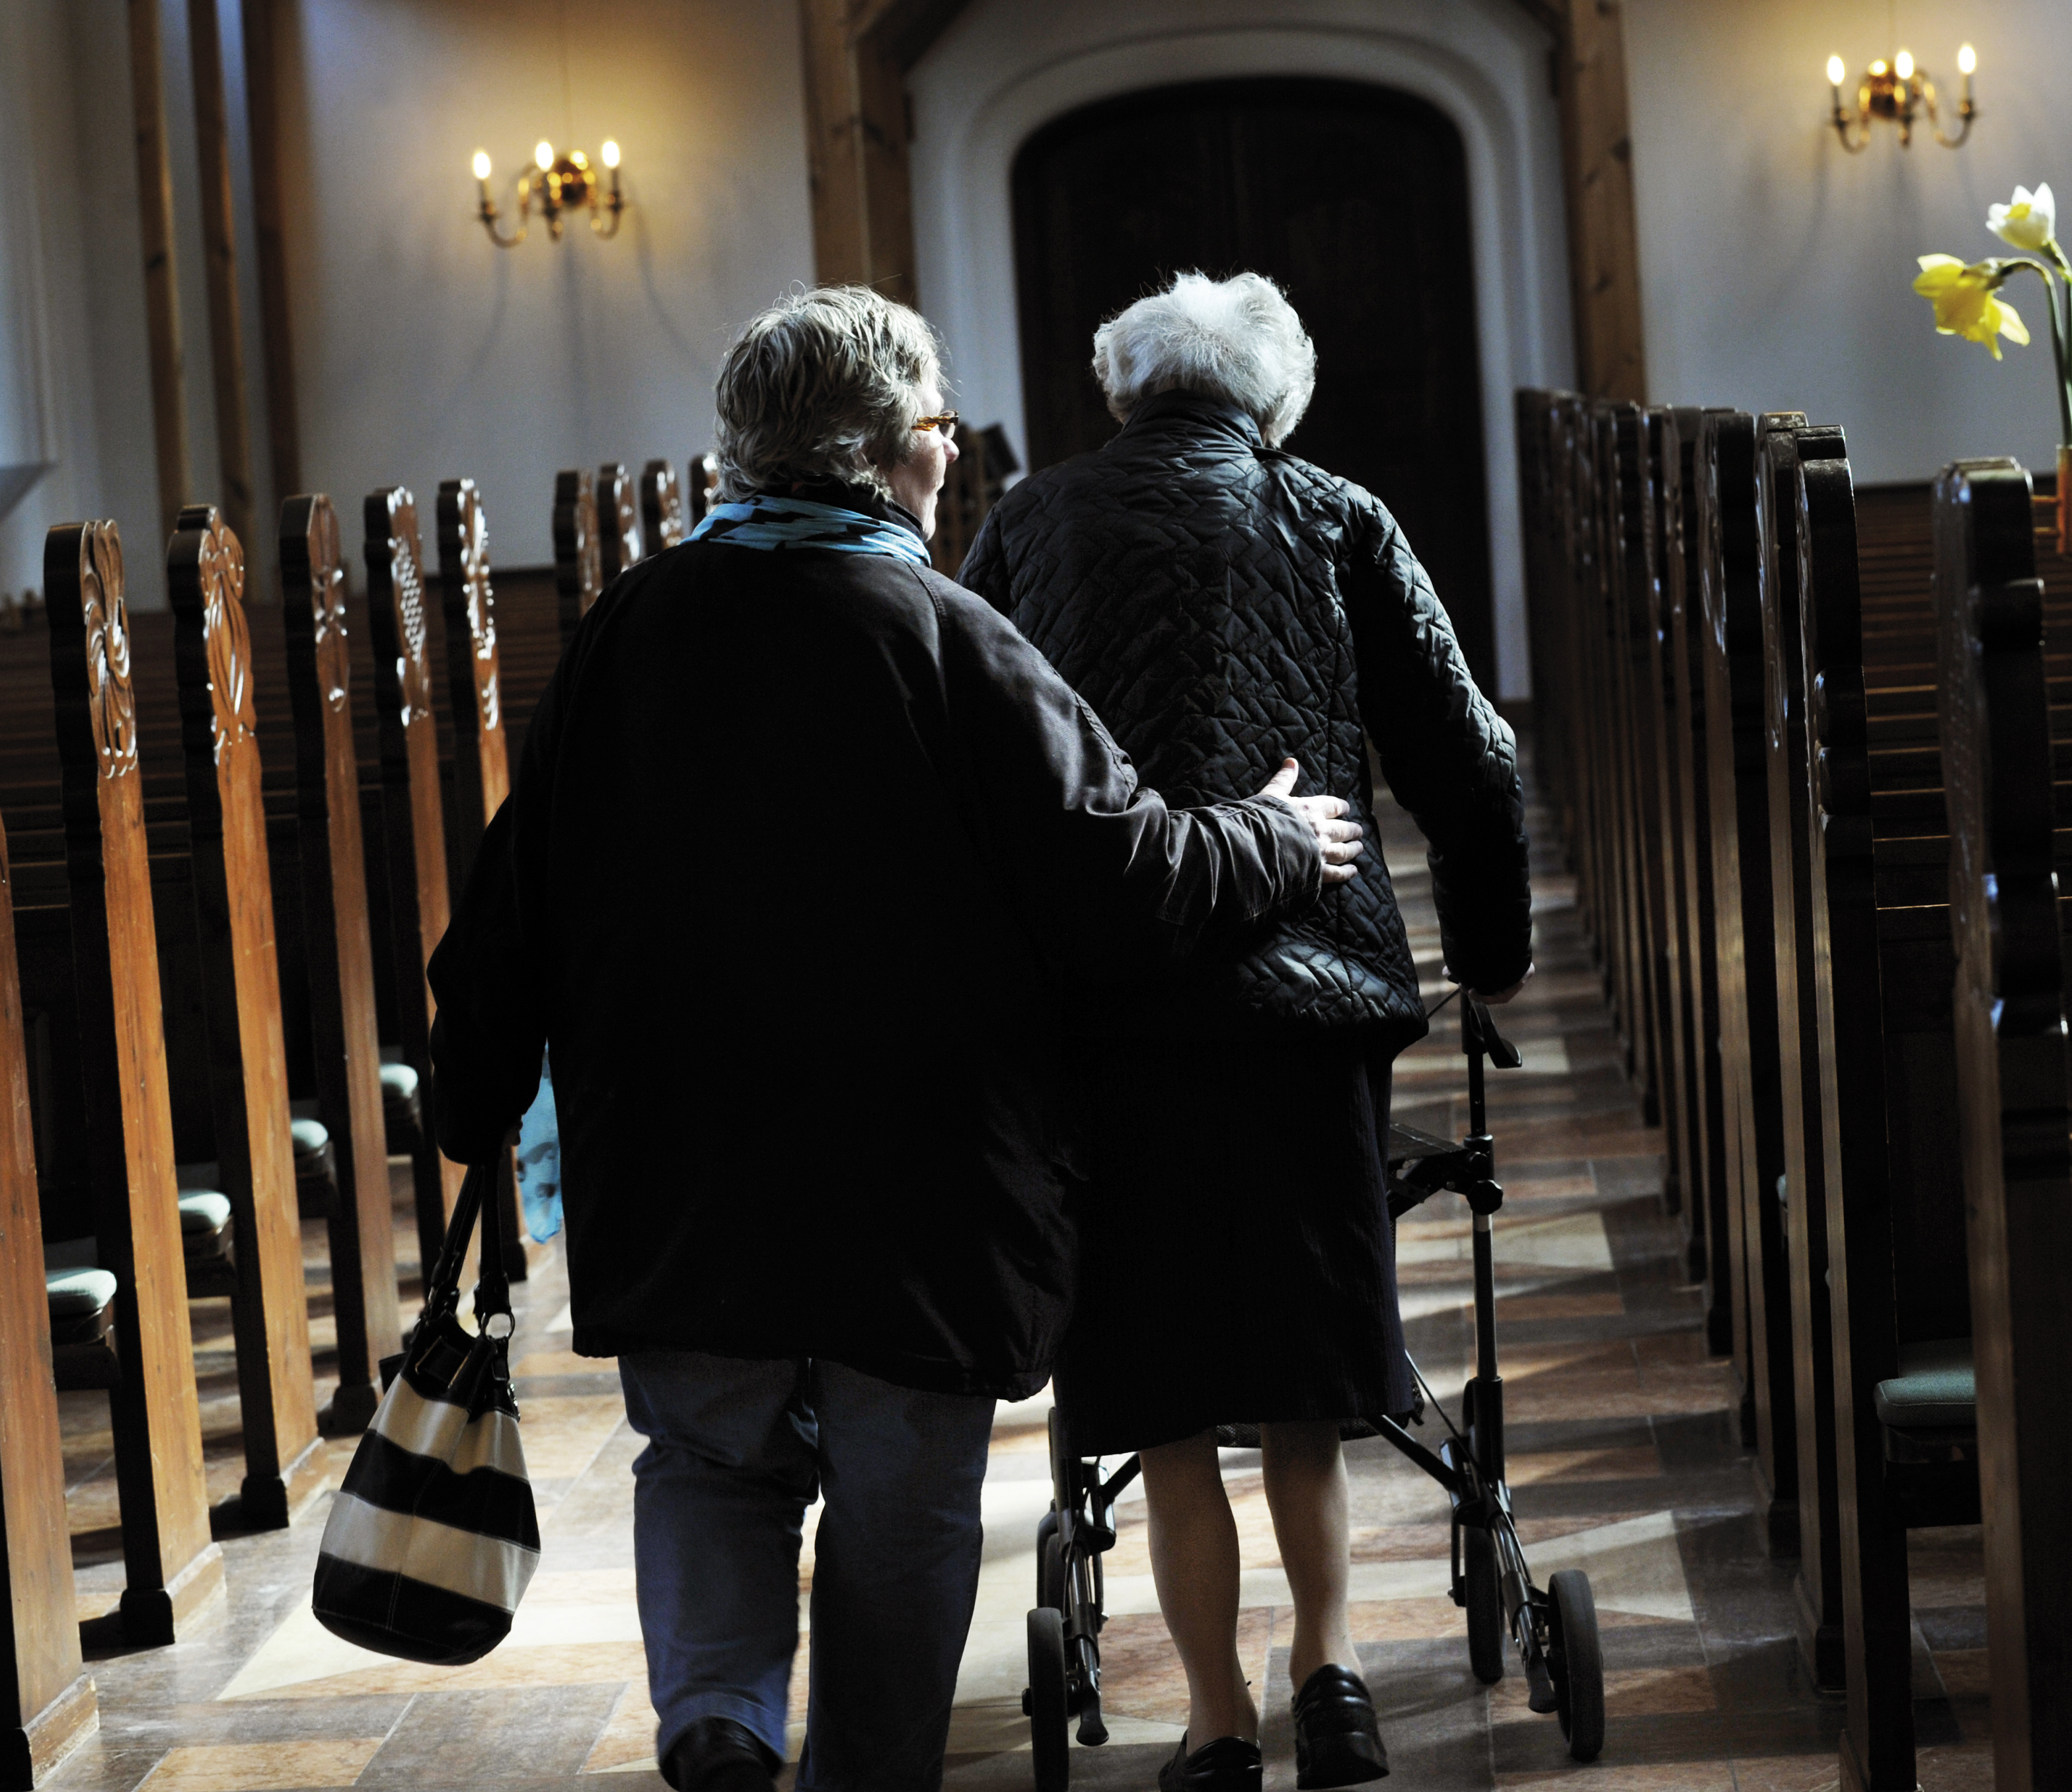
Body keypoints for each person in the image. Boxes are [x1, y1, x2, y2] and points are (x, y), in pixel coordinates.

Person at [425, 285, 1366, 1792]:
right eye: (935, 430)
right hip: (915, 1183)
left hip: (678, 1168)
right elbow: (1119, 880)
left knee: (712, 1466)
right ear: (881, 454)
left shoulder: (632, 628)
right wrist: (1268, 838)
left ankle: (720, 1721)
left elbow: (511, 901)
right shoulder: (942, 633)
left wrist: (473, 1104)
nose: (947, 460)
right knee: (904, 1503)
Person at [959, 270, 1532, 1792]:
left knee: (1157, 1401)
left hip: (1111, 1016)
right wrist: (1490, 956)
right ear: (1272, 399)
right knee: (1302, 1377)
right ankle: (1330, 1674)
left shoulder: (1025, 523)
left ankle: (1215, 1717)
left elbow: (970, 768)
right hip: (1306, 1013)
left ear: (1123, 391)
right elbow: (1470, 762)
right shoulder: (1333, 514)